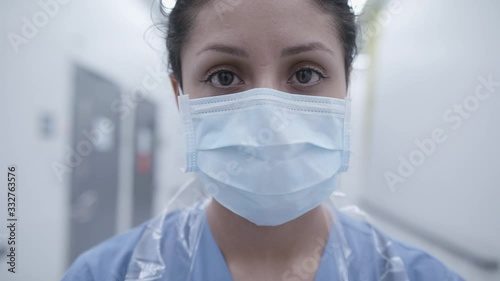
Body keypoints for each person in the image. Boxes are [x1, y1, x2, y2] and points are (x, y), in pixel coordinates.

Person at [62, 0, 466, 280]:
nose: (268, 120)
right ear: (179, 95)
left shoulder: (416, 275)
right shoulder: (106, 274)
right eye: (224, 76)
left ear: (345, 89)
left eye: (305, 73)